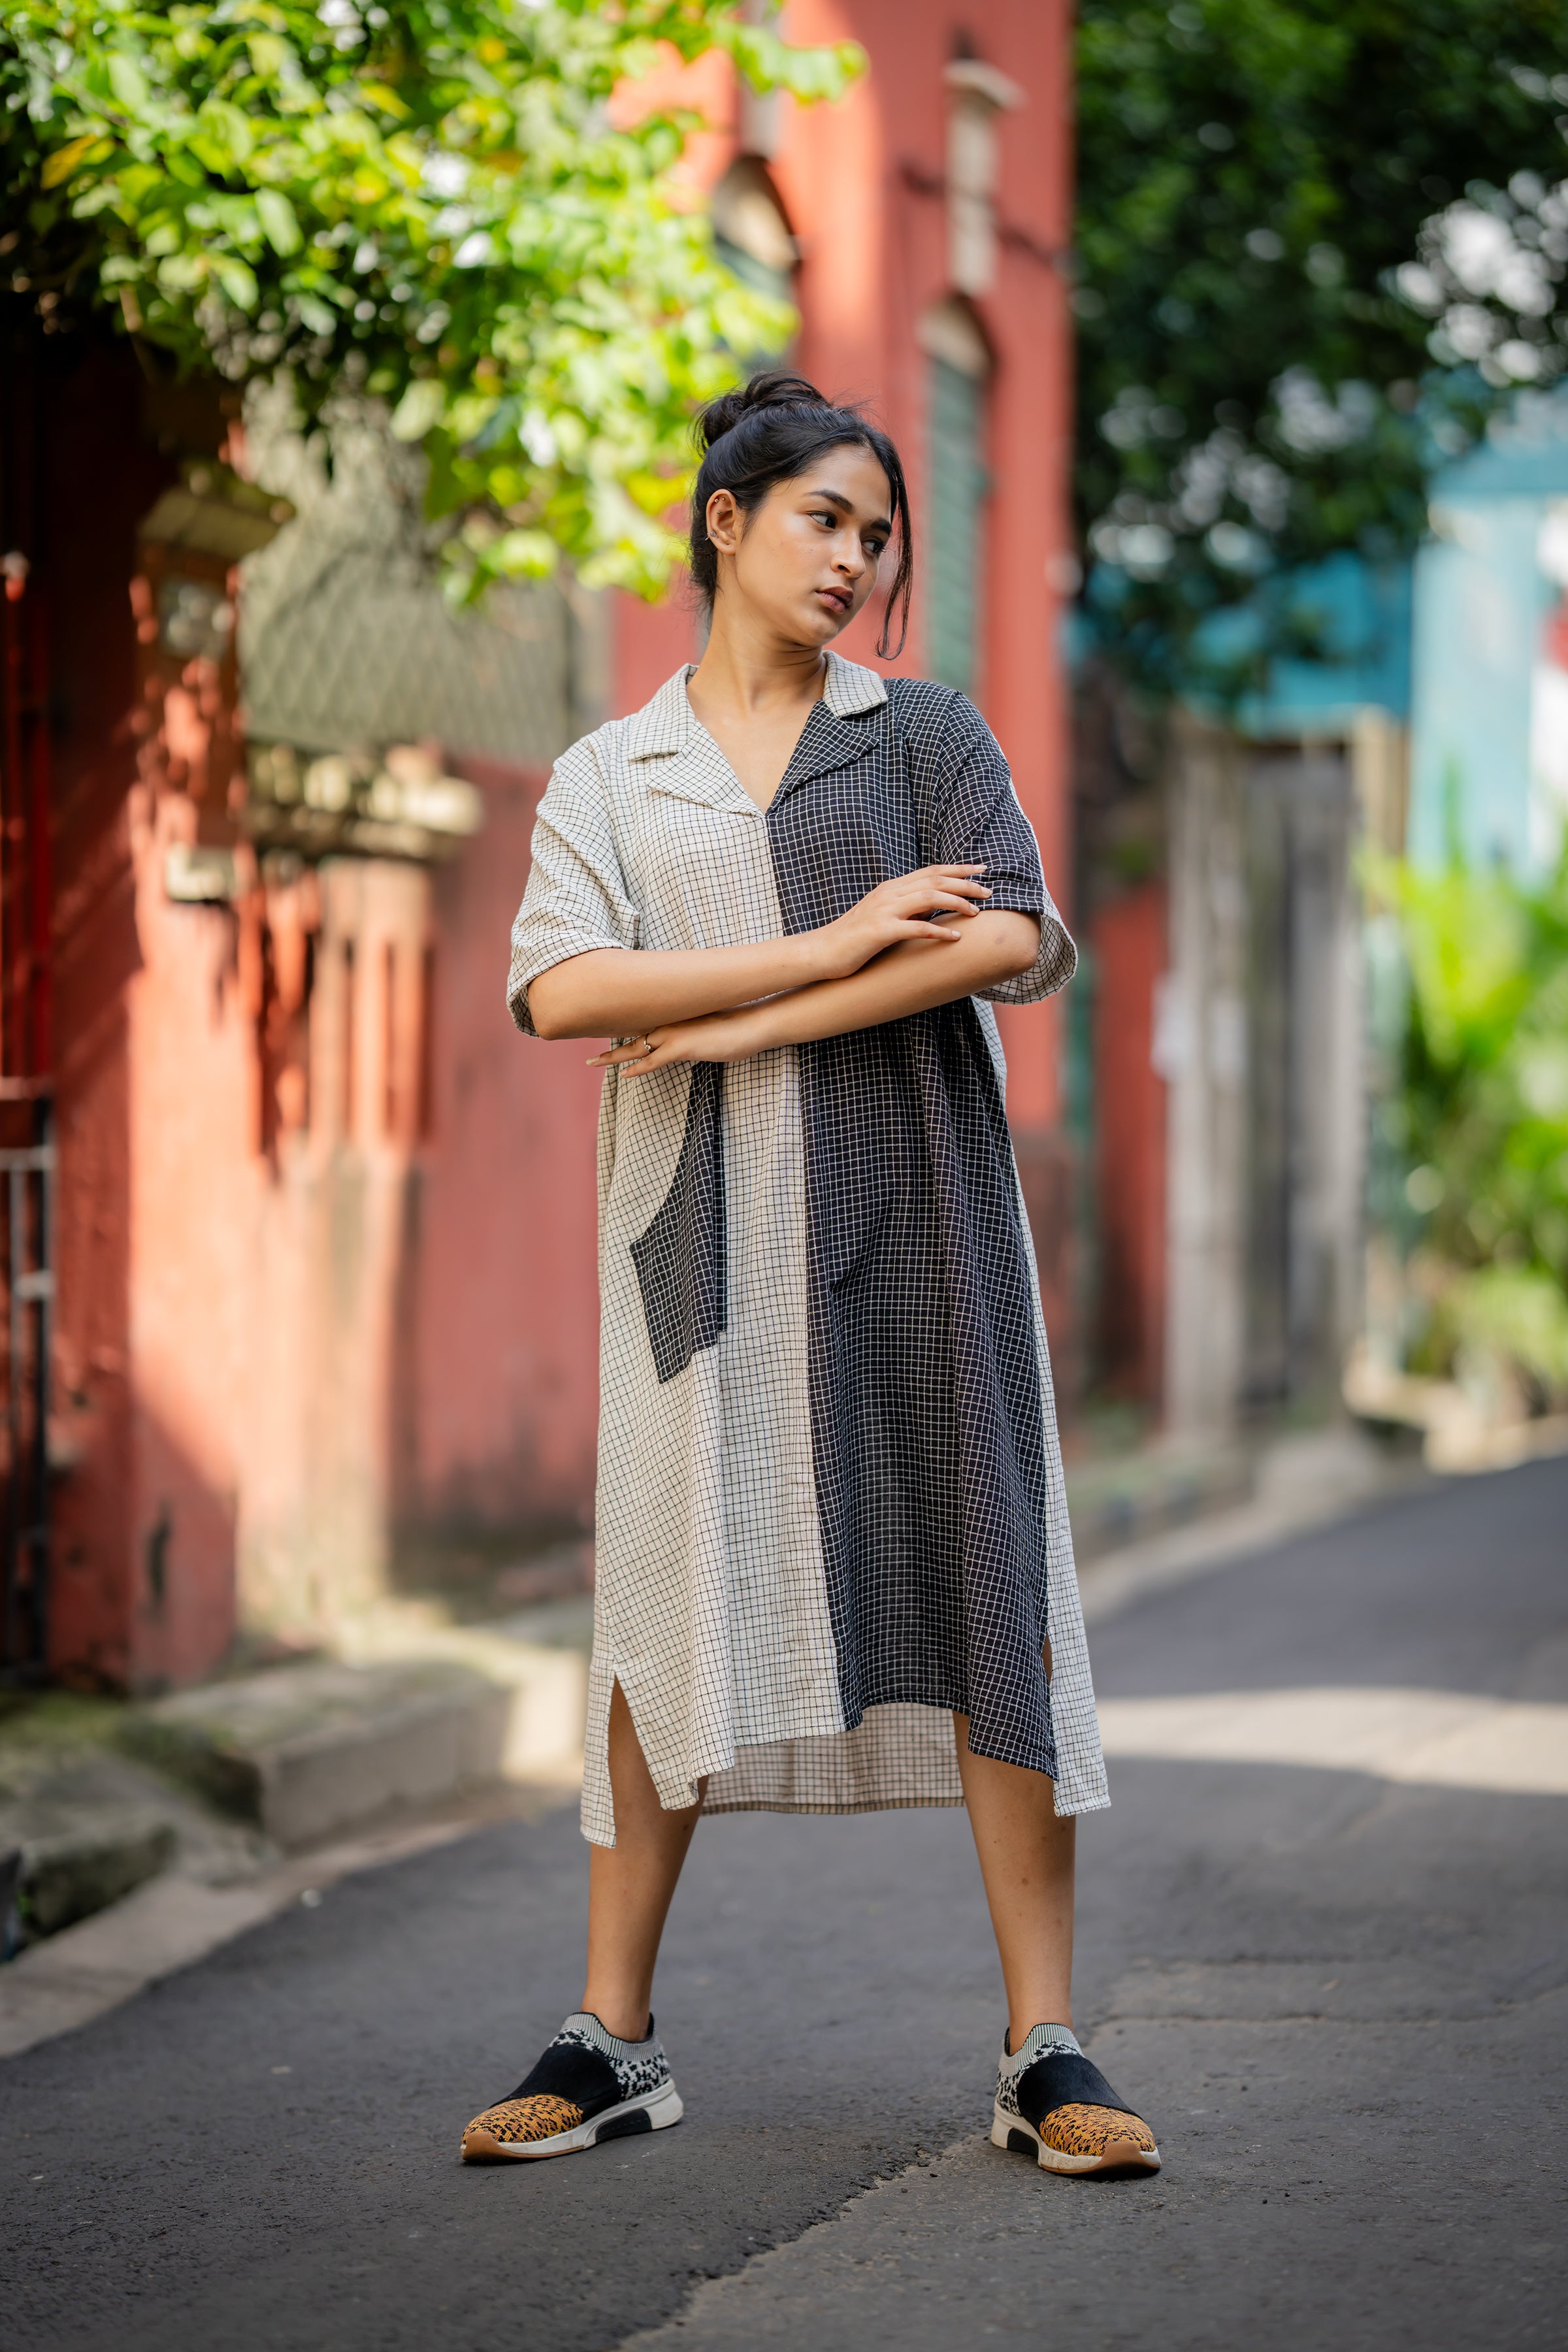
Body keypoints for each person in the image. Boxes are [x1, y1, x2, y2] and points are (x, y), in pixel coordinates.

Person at [463, 372, 1159, 2179]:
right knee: (664, 1595)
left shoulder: (919, 732)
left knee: (983, 1571)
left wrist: (748, 1016)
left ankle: (1047, 2044)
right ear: (725, 520)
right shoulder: (614, 774)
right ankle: (609, 2034)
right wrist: (835, 937)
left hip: (919, 1216)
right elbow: (560, 986)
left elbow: (1012, 933)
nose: (855, 558)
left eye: (877, 534)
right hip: (696, 1242)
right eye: (822, 520)